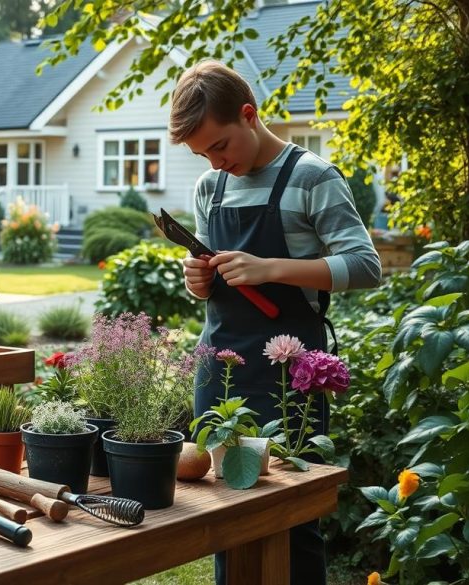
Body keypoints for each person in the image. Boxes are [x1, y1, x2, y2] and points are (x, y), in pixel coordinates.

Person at [170, 61, 381, 584]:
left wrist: (272, 269)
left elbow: (365, 266)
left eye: (220, 146)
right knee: (226, 511)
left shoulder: (311, 177)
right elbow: (213, 285)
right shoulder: (209, 188)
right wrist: (197, 279)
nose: (216, 162)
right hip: (219, 368)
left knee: (291, 516)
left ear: (249, 115)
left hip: (290, 373)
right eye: (203, 155)